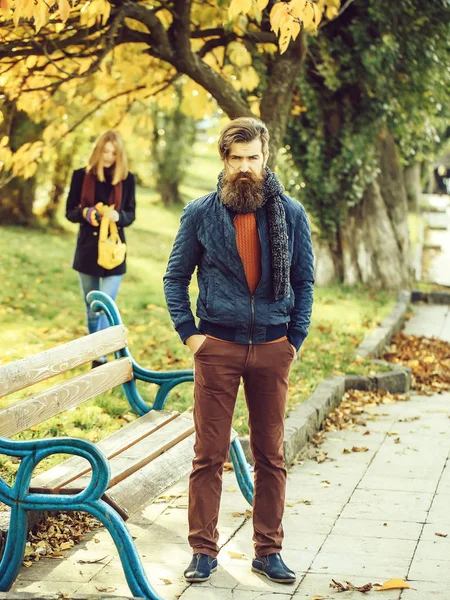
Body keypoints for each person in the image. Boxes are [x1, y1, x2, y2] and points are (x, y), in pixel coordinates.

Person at [163, 117, 314, 584]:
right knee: (208, 454)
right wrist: (192, 336)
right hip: (218, 346)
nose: (245, 167)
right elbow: (174, 278)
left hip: (272, 346)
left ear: (265, 158)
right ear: (224, 161)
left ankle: (268, 551)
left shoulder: (290, 213)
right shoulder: (200, 213)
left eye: (253, 158)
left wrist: (294, 340)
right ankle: (203, 551)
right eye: (237, 159)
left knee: (270, 454)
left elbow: (304, 281)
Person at [66, 130, 136, 366]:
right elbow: (70, 211)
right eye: (105, 151)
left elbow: (131, 214)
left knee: (106, 302)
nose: (108, 157)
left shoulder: (127, 179)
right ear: (98, 151)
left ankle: (100, 355)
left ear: (119, 155)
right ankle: (95, 350)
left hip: (114, 250)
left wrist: (118, 215)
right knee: (91, 304)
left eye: (113, 153)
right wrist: (85, 213)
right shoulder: (80, 175)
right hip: (87, 249)